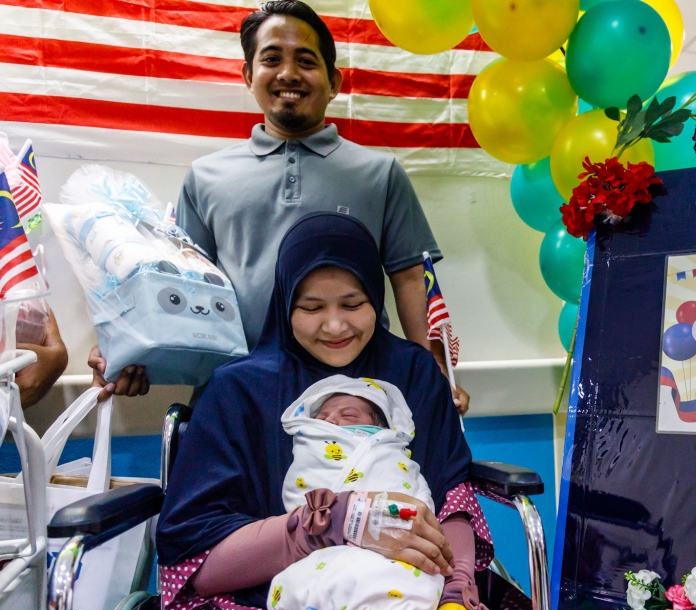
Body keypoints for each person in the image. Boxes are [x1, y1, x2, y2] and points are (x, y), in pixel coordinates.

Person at [155, 213, 525, 610]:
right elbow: (196, 565)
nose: (334, 326)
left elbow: (452, 503)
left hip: (416, 605)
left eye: (352, 304)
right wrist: (331, 522)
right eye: (311, 308)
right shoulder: (237, 391)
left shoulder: (414, 374)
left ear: (376, 296)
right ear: (285, 302)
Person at [89, 0, 467, 411]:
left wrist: (434, 377)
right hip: (238, 398)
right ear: (249, 76)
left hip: (357, 402)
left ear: (334, 81)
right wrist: (130, 346)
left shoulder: (380, 173)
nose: (288, 73)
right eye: (271, 59)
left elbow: (413, 280)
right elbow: (180, 283)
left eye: (306, 60)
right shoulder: (205, 176)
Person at [269, 375, 477, 610]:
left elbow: (420, 509)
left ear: (379, 427)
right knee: (290, 586)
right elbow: (300, 494)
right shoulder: (307, 440)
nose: (330, 421)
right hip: (324, 552)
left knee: (403, 572)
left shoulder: (390, 448)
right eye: (321, 416)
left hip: (396, 558)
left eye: (348, 415)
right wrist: (346, 517)